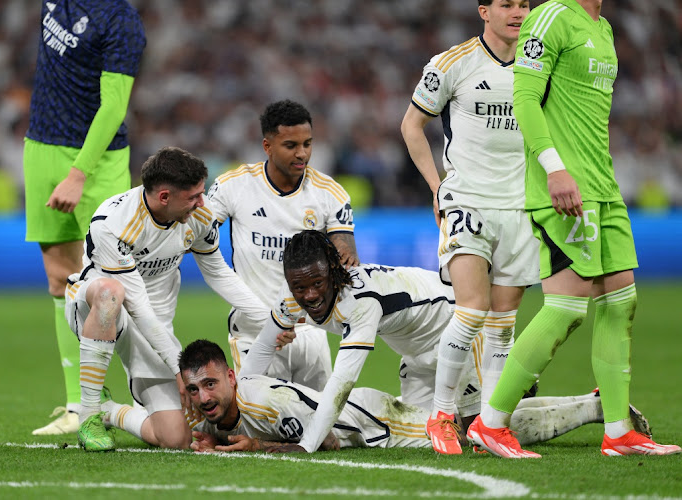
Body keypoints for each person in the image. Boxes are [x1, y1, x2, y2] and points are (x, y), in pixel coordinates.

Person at [466, 0, 681, 458]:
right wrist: (554, 169)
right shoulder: (551, 16)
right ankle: (490, 422)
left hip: (603, 186)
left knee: (622, 301)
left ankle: (619, 430)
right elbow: (523, 98)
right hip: (562, 187)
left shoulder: (602, 28)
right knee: (566, 308)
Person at [238, 230, 650, 454]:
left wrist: (305, 446)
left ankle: (593, 407)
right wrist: (243, 395)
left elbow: (341, 386)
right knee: (425, 435)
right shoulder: (295, 297)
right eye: (299, 286)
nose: (309, 295)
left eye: (317, 283)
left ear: (334, 271)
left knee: (479, 432)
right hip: (416, 352)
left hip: (458, 328)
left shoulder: (359, 303)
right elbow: (262, 345)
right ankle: (523, 396)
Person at [400, 0, 537, 455]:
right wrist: (437, 187)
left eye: (524, 4)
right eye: (507, 4)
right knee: (472, 308)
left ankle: (489, 424)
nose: (518, 11)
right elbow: (412, 125)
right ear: (484, 10)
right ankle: (441, 416)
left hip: (520, 205)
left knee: (503, 322)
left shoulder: (541, 63)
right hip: (467, 200)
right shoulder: (451, 64)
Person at [64, 147, 269, 451]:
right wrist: (178, 367)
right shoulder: (113, 223)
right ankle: (89, 413)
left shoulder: (199, 215)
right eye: (194, 196)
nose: (203, 202)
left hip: (155, 326)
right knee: (111, 294)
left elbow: (218, 273)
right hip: (96, 309)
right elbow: (138, 306)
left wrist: (271, 320)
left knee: (175, 439)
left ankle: (110, 412)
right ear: (164, 197)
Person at [24, 0, 146, 436]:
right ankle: (79, 407)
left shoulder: (121, 21)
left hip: (98, 162)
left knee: (117, 282)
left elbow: (114, 107)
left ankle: (144, 398)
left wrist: (78, 174)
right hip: (41, 148)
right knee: (60, 278)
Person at [182, 342, 648, 454]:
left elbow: (321, 442)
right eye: (194, 389)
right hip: (362, 408)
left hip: (371, 423)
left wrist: (261, 446)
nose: (204, 398)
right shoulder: (222, 410)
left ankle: (594, 408)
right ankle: (592, 400)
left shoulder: (264, 405)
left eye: (210, 384)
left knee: (470, 439)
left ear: (232, 376)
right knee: (473, 427)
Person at [205, 100, 360, 391]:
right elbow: (201, 240)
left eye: (308, 144)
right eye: (291, 145)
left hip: (309, 330)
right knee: (259, 424)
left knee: (323, 430)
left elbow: (347, 256)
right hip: (254, 331)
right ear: (267, 146)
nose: (302, 153)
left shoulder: (330, 192)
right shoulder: (232, 186)